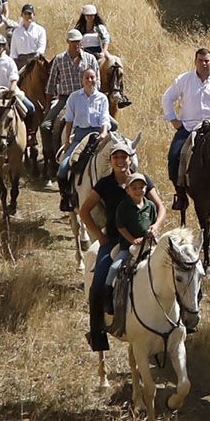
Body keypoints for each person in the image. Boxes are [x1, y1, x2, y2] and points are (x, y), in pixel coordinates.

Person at [77, 149, 154, 352]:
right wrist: (99, 236)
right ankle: (97, 334)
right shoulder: (105, 184)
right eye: (116, 157)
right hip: (113, 242)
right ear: (110, 161)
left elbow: (160, 207)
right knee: (98, 285)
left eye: (124, 157)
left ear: (130, 159)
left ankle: (177, 325)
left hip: (144, 241)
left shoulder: (142, 180)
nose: (120, 161)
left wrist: (156, 227)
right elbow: (84, 211)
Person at [161, 45, 210, 195]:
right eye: (200, 60)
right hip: (189, 127)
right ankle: (180, 193)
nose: (204, 63)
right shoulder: (183, 80)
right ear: (195, 61)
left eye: (207, 61)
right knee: (174, 156)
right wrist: (173, 119)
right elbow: (167, 98)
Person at [55, 64, 113, 205]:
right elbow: (69, 119)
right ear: (82, 80)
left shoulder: (102, 98)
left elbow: (105, 117)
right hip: (80, 135)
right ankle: (66, 197)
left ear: (96, 79)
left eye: (92, 77)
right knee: (63, 168)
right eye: (87, 77)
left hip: (98, 135)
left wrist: (104, 132)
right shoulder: (74, 97)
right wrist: (68, 140)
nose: (90, 80)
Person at [8, 2, 47, 72]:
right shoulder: (16, 31)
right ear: (22, 15)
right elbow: (13, 50)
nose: (27, 16)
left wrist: (37, 56)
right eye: (25, 14)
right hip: (20, 62)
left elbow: (42, 47)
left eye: (30, 14)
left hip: (35, 60)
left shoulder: (40, 30)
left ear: (34, 15)